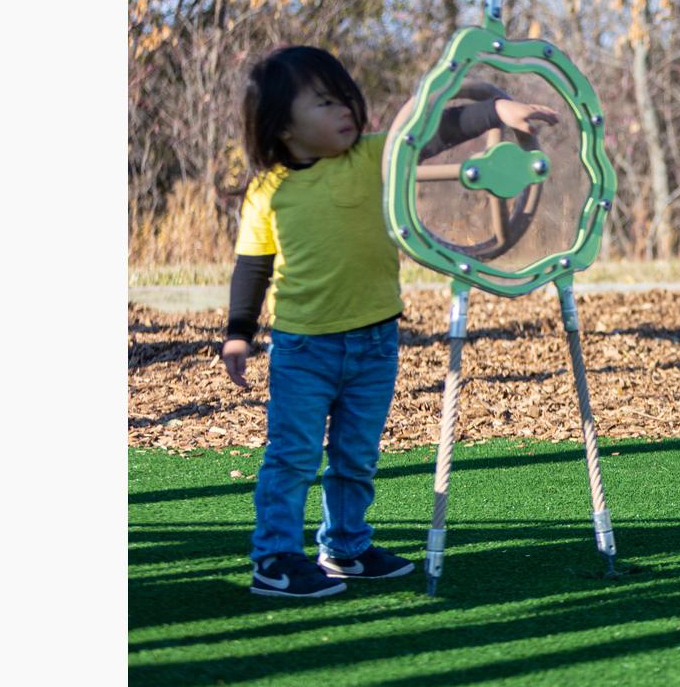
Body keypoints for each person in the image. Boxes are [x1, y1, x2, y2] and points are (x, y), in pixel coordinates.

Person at [221, 46, 557, 598]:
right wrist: (238, 332)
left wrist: (498, 114)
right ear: (282, 126)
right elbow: (252, 266)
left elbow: (440, 131)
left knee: (356, 453)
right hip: (303, 349)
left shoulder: (374, 156)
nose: (346, 111)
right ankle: (276, 557)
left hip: (375, 341)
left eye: (346, 98)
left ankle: (346, 548)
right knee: (294, 455)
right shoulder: (269, 189)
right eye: (326, 103)